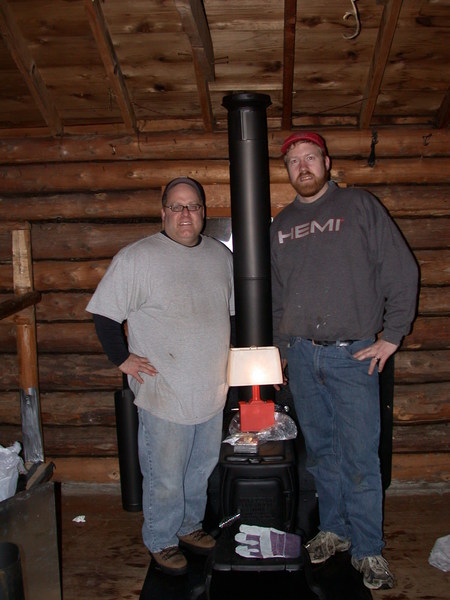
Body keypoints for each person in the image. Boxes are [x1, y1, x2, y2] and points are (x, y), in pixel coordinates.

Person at [270, 132, 418, 590]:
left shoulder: (359, 206)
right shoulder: (281, 224)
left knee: (359, 457)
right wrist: (280, 351)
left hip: (353, 357)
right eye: (294, 161)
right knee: (322, 454)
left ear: (326, 161)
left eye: (310, 157)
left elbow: (402, 270)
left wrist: (391, 336)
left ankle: (369, 549)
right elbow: (278, 296)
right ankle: (334, 530)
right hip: (301, 354)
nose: (303, 167)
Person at [86, 177, 234, 576]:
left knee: (199, 469)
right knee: (165, 475)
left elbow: (229, 313)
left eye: (193, 206)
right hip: (164, 391)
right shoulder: (137, 258)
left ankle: (187, 527)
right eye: (176, 206)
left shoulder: (221, 257)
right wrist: (123, 360)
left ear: (204, 211)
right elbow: (104, 314)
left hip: (210, 389)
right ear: (163, 211)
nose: (185, 214)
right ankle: (162, 539)